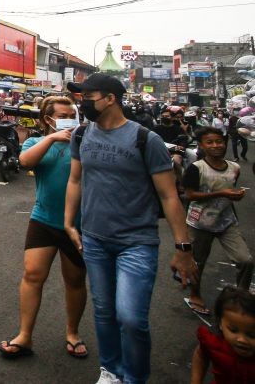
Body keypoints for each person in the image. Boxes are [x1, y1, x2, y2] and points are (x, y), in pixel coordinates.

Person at [63, 73, 198, 384]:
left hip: (137, 242)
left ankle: (134, 377)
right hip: (95, 240)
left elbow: (168, 195)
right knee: (104, 312)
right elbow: (75, 179)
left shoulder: (145, 140)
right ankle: (110, 370)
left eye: (88, 96)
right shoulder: (81, 135)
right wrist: (69, 222)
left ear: (110, 98)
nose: (82, 103)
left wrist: (183, 248)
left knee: (132, 318)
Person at [0, 96, 88, 361]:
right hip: (44, 219)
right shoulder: (36, 142)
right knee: (32, 275)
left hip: (80, 224)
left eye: (72, 114)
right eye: (63, 115)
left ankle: (72, 333)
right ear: (47, 119)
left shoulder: (85, 143)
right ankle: (25, 336)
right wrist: (52, 138)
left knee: (74, 281)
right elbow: (25, 162)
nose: (69, 119)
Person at [182, 127, 253, 316]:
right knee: (198, 262)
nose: (215, 146)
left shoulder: (234, 168)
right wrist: (221, 193)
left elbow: (230, 188)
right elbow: (189, 195)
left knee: (245, 260)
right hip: (200, 223)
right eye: (210, 142)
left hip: (226, 221)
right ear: (201, 146)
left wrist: (234, 196)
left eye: (219, 142)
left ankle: (241, 297)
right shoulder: (196, 168)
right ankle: (195, 294)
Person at [190, 286, 255, 383]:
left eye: (252, 335)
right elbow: (201, 355)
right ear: (220, 324)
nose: (241, 339)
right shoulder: (214, 341)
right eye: (233, 330)